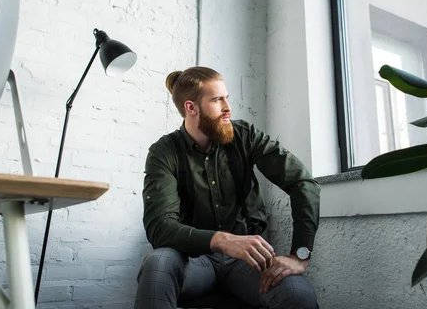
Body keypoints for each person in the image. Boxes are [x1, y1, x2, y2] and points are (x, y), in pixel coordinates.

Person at [134, 66, 320, 309]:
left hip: (246, 263)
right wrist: (219, 240)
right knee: (158, 263)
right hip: (192, 261)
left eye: (226, 98)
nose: (227, 107)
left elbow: (302, 182)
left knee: (297, 293)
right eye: (216, 99)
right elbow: (159, 228)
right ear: (191, 107)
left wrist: (301, 254)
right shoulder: (164, 152)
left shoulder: (244, 135)